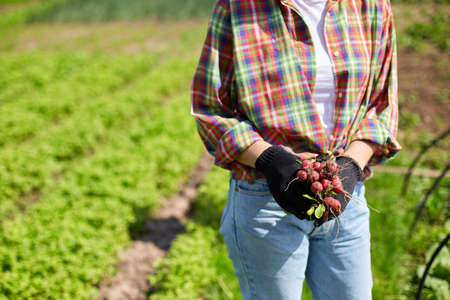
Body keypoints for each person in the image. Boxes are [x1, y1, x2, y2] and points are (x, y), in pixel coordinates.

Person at [191, 0, 401, 299]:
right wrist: (269, 159)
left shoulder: (371, 6)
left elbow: (382, 105)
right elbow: (211, 109)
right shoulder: (239, 8)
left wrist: (352, 165)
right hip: (265, 197)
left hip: (343, 197)